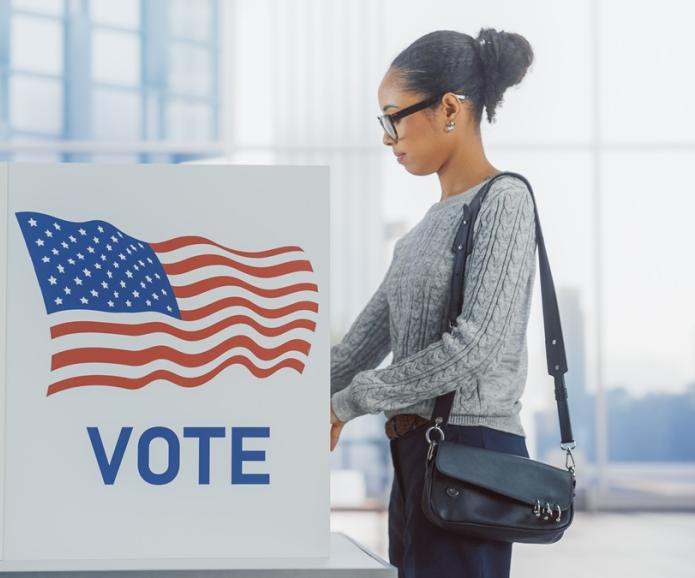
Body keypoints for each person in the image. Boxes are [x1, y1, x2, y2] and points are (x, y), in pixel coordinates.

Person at [329, 27, 537, 578]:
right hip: (417, 452)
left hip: (470, 454)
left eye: (393, 116)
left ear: (449, 107)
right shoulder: (420, 232)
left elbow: (473, 346)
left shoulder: (505, 201)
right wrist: (281, 398)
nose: (387, 136)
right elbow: (358, 349)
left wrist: (349, 403)